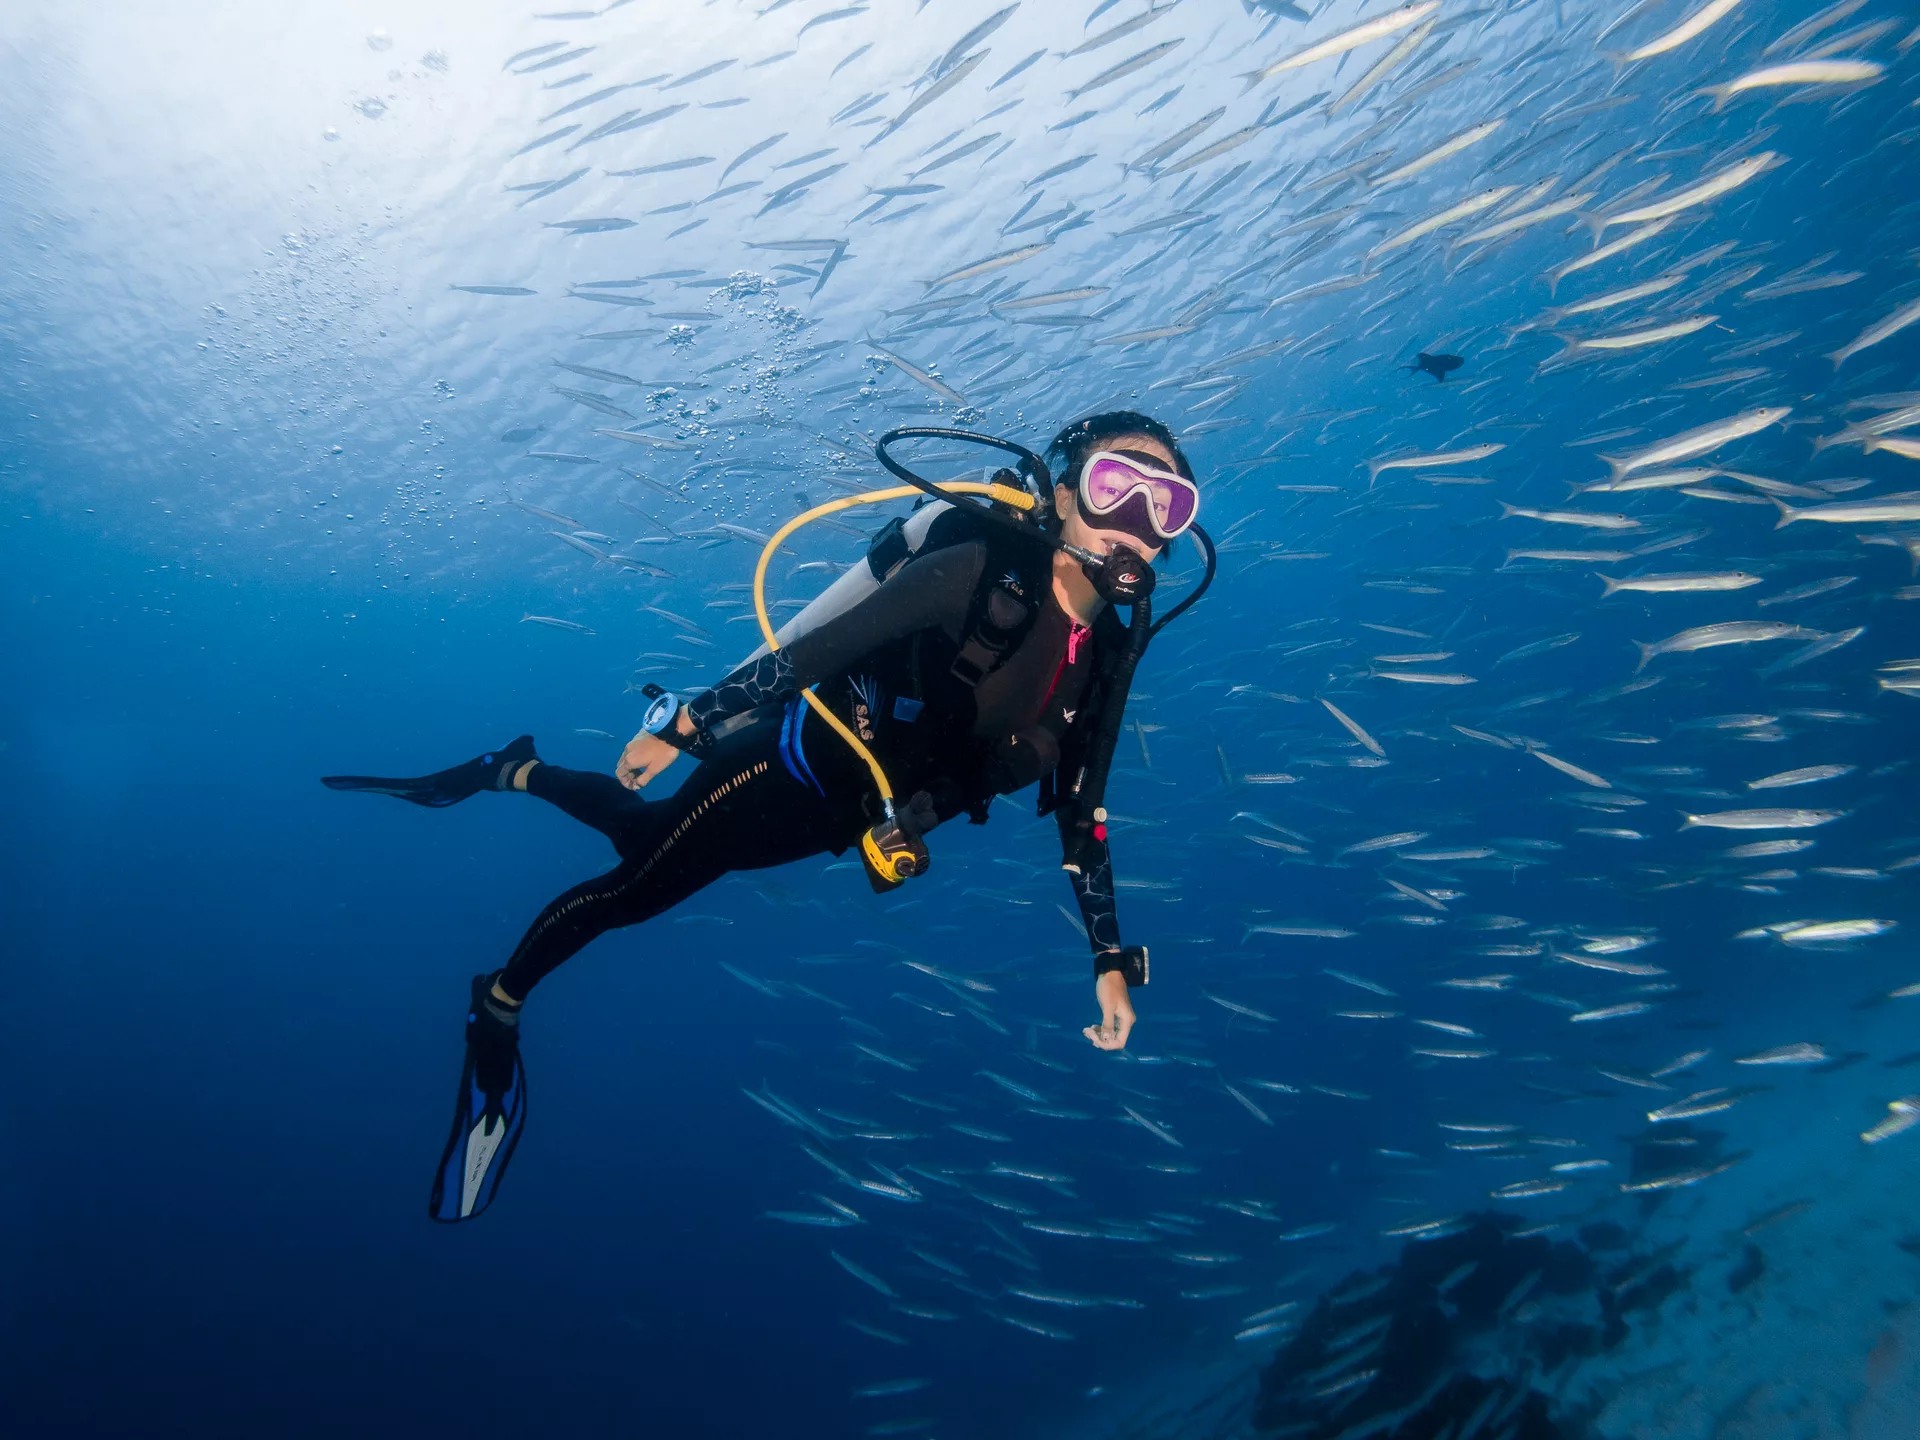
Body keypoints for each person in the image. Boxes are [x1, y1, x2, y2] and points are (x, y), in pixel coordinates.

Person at [323, 411, 1203, 1220]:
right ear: (1060, 496)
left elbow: (1083, 811)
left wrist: (1108, 958)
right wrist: (692, 726)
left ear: (1174, 536)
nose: (1133, 518)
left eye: (1163, 502)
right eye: (1113, 486)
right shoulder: (979, 572)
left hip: (832, 822)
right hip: (776, 768)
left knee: (641, 836)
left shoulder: (1111, 653)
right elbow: (819, 649)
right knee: (634, 890)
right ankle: (498, 1009)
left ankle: (510, 768)